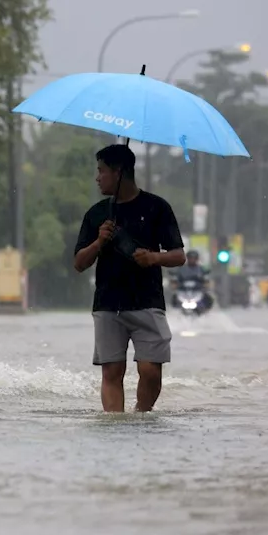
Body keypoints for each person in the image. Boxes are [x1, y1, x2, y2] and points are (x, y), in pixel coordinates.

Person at [73, 144, 186, 412]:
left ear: (119, 172)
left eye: (102, 171)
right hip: (108, 304)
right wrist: (99, 241)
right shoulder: (97, 214)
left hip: (147, 302)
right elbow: (79, 263)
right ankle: (116, 425)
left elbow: (179, 255)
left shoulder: (157, 207)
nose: (97, 177)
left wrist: (153, 257)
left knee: (150, 371)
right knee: (111, 373)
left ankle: (141, 415)